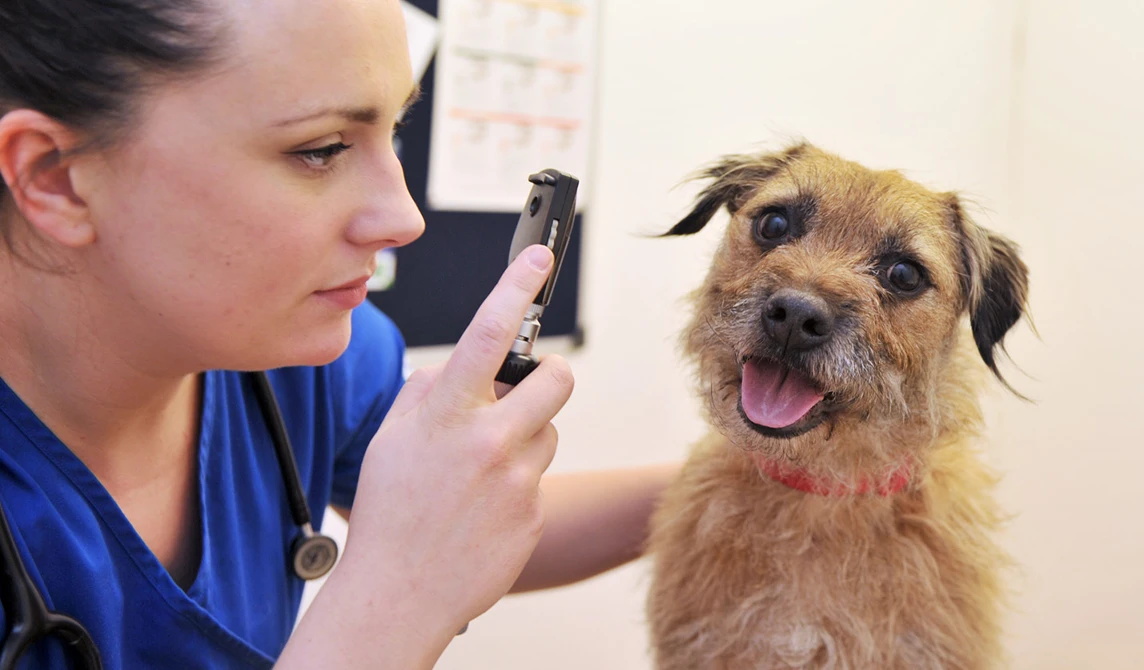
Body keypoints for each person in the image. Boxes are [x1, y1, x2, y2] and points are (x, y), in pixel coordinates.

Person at [0, 0, 678, 667]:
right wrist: (396, 599)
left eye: (395, 131)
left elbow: (458, 516)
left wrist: (721, 480)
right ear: (57, 179)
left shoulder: (307, 359)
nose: (405, 218)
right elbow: (417, 556)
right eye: (320, 150)